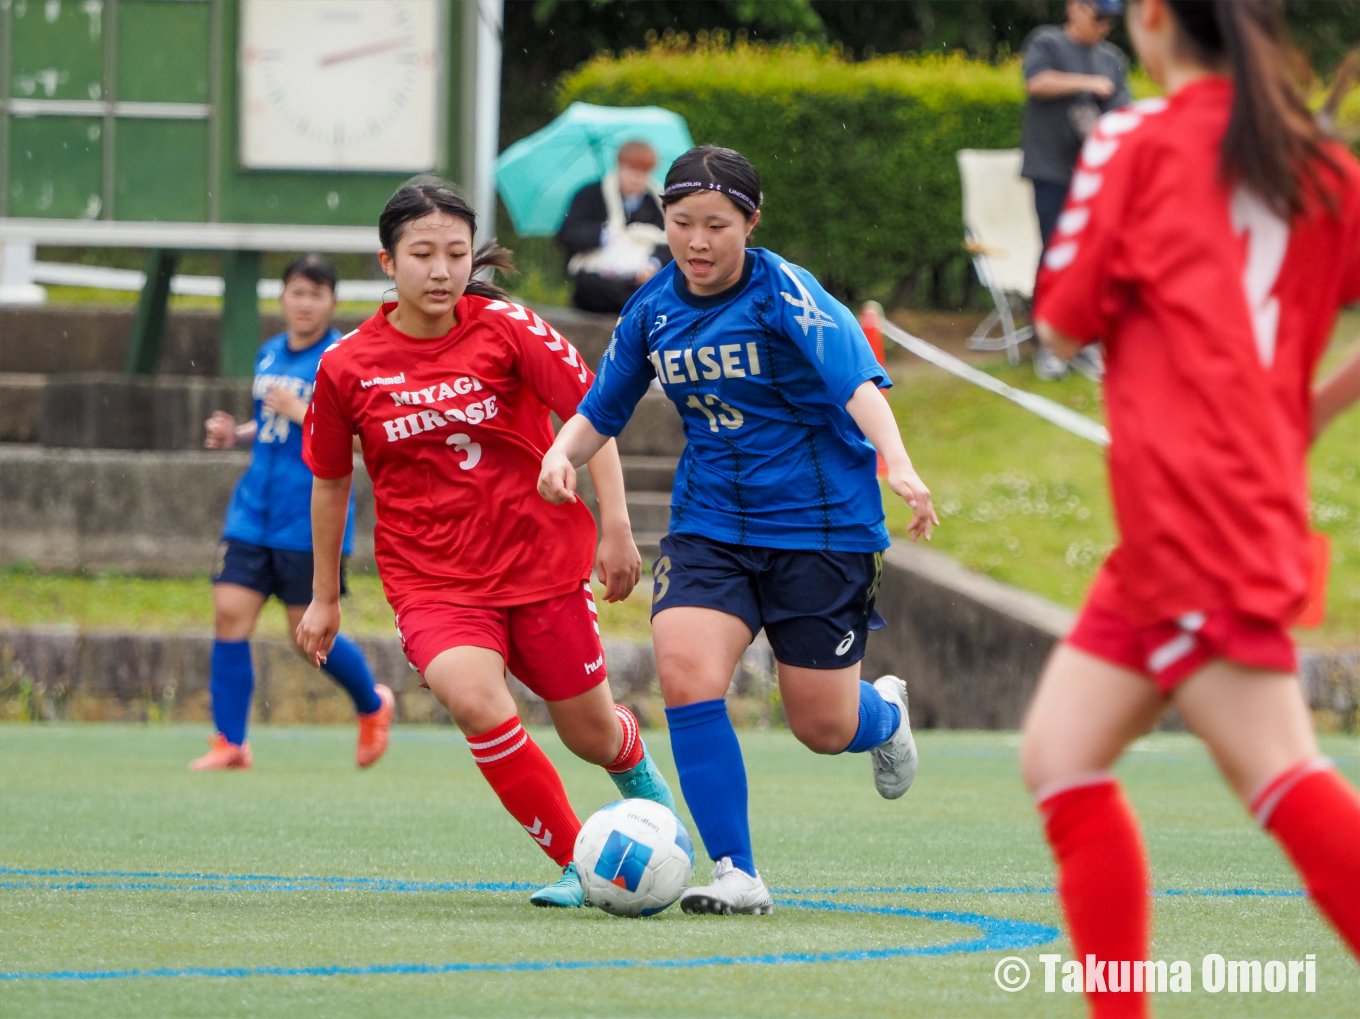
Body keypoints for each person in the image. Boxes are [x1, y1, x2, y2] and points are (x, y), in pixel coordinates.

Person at [1019, 1, 1360, 1015]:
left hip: (1187, 513)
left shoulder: (1139, 134)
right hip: (1212, 511)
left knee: (1280, 774)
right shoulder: (1321, 167)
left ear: (1156, 20)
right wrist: (1293, 416)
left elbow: (1058, 314)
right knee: (1060, 755)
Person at [540, 146, 938, 916]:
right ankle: (736, 870)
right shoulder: (653, 308)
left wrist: (899, 464)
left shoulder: (786, 291)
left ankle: (882, 712)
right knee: (686, 671)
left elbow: (856, 382)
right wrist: (562, 453)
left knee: (822, 726)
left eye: (716, 225)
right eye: (681, 222)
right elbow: (603, 406)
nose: (696, 240)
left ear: (750, 223)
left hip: (821, 526)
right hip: (711, 524)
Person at [296, 176, 676, 908]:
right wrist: (323, 597)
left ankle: (642, 784)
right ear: (387, 262)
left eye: (456, 254)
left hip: (542, 564)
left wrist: (619, 528)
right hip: (433, 581)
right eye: (422, 254)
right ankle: (579, 861)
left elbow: (592, 414)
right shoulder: (347, 365)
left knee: (591, 735)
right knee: (477, 701)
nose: (441, 271)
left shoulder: (508, 329)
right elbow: (330, 481)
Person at [195, 255, 394, 771]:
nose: (304, 303)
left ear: (332, 302)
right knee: (229, 615)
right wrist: (234, 434)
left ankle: (373, 705)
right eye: (296, 292)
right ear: (281, 297)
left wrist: (301, 411)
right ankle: (231, 742)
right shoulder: (268, 354)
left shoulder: (344, 357)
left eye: (316, 294)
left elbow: (360, 433)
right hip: (251, 512)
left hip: (308, 518)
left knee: (305, 636)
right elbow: (268, 425)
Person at [1021, 0, 1130, 381]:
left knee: (1094, 257)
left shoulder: (1111, 58)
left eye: (1110, 21)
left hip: (1095, 175)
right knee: (1054, 254)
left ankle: (1083, 342)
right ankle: (1048, 346)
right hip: (1051, 171)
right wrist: (1085, 84)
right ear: (1076, 8)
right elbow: (1036, 82)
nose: (1103, 28)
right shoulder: (1047, 43)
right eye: (1099, 17)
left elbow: (1121, 112)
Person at [557, 140, 671, 314]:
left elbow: (669, 241)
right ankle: (634, 310)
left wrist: (652, 265)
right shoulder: (590, 195)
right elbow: (568, 234)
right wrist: (604, 236)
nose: (635, 178)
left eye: (642, 172)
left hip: (639, 280)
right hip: (597, 277)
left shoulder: (657, 205)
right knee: (589, 288)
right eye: (631, 170)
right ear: (620, 166)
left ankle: (635, 308)